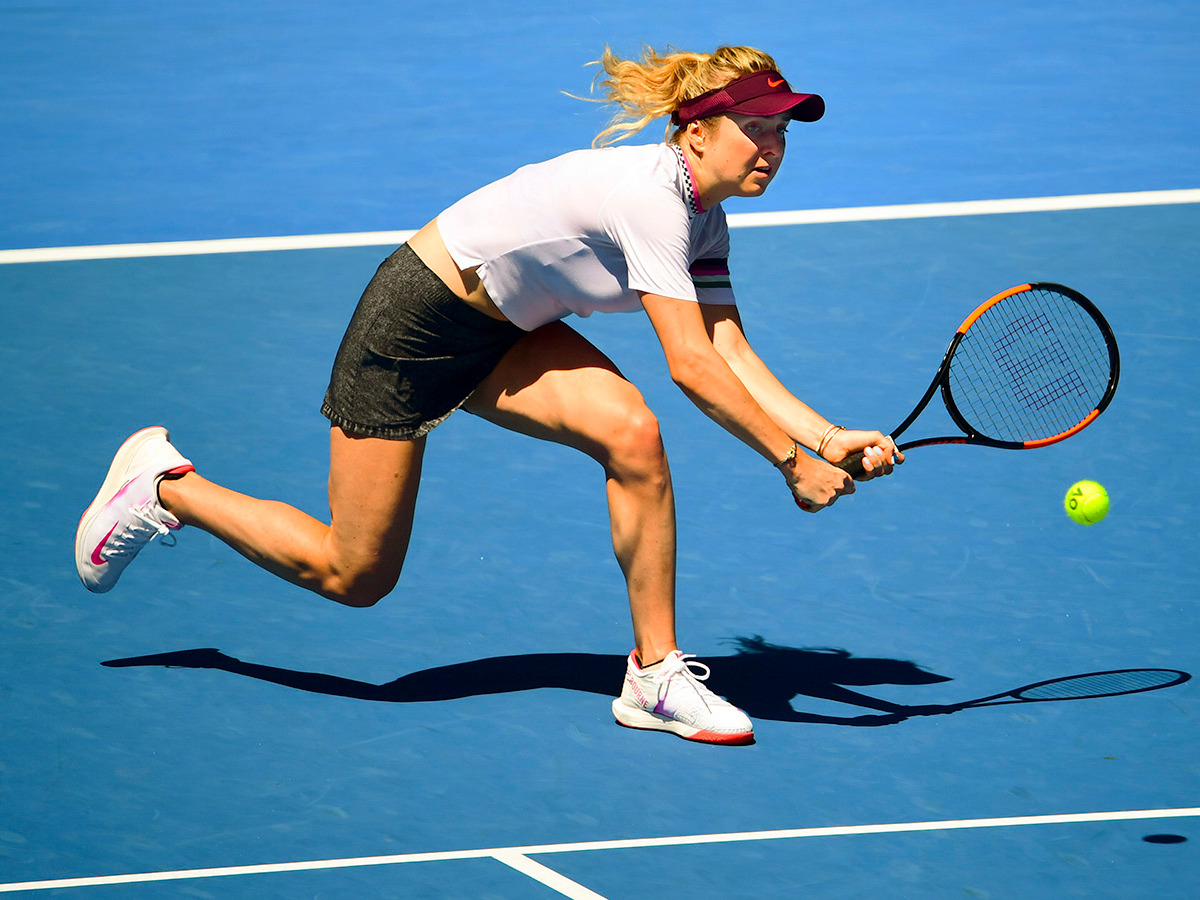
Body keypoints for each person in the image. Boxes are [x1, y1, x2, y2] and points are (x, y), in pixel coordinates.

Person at [75, 45, 902, 746]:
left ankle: (653, 675)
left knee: (631, 434)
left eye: (782, 133)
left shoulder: (704, 216)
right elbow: (690, 364)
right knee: (354, 572)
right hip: (415, 328)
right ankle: (164, 485)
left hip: (509, 329)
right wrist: (789, 460)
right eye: (756, 129)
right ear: (695, 132)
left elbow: (730, 349)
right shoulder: (652, 199)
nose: (773, 147)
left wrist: (825, 438)